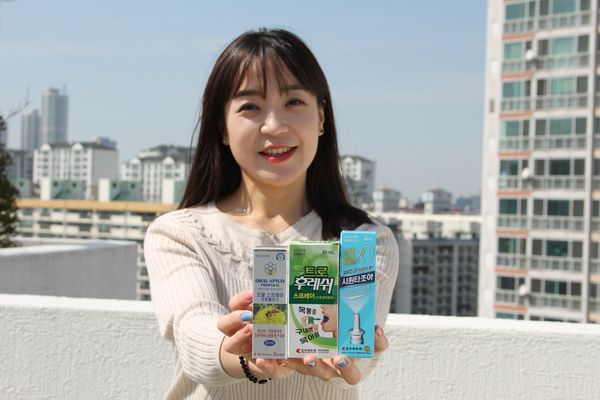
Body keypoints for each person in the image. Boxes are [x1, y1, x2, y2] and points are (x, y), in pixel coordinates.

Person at [144, 28, 399, 400]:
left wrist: (353, 355)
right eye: (250, 107)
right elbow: (194, 335)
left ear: (321, 117)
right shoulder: (179, 233)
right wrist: (243, 353)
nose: (275, 126)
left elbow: (358, 352)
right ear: (222, 127)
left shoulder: (364, 240)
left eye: (294, 101)